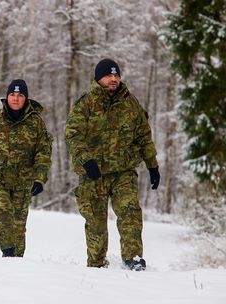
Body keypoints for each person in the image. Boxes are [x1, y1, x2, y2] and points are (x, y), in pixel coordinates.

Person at [65, 58, 160, 271]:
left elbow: (144, 136)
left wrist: (152, 165)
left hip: (123, 171)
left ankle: (134, 258)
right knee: (96, 223)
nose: (114, 79)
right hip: (93, 174)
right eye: (109, 75)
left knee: (130, 212)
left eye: (116, 75)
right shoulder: (87, 103)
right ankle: (97, 264)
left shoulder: (130, 103)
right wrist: (86, 160)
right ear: (99, 78)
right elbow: (73, 135)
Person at [0, 79, 52, 257]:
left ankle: (15, 267)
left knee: (18, 228)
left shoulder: (36, 123)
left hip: (23, 183)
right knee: (2, 207)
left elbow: (43, 153)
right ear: (7, 97)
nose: (15, 98)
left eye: (20, 95)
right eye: (12, 94)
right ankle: (7, 251)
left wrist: (39, 178)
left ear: (26, 99)